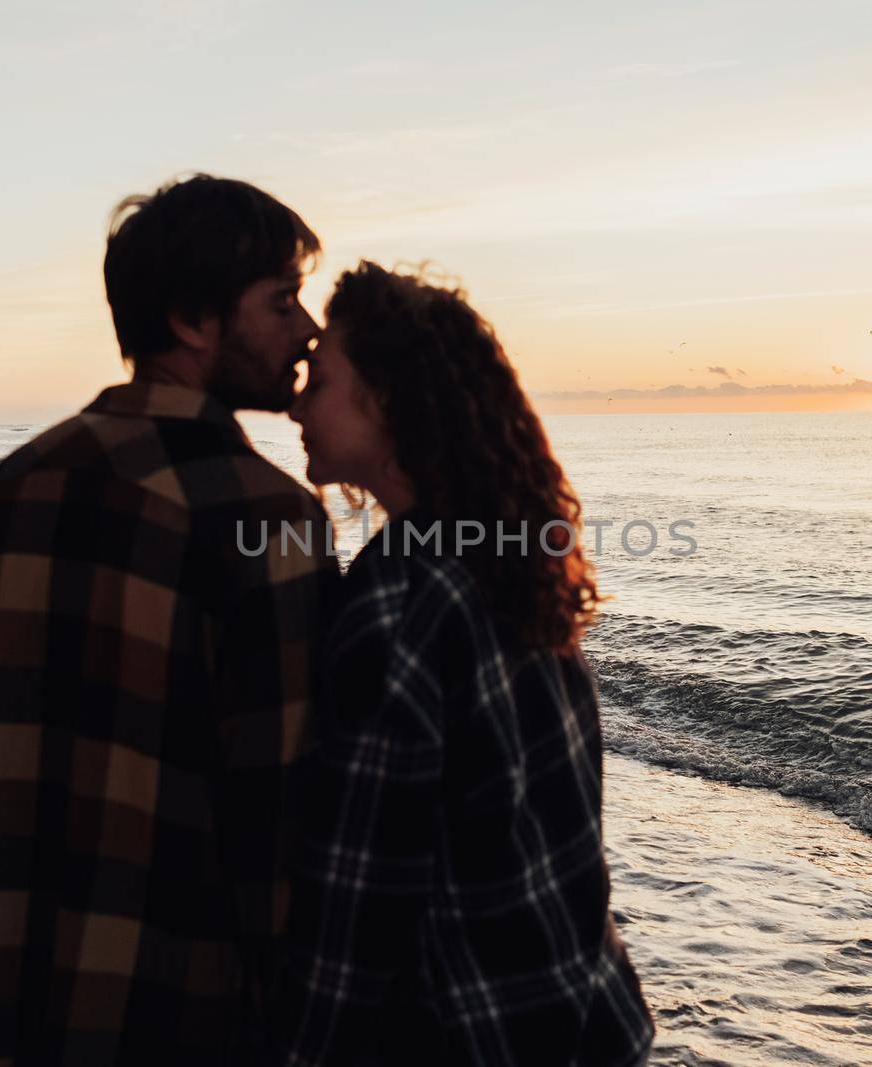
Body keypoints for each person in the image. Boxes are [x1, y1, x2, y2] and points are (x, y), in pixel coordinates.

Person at [0, 174, 341, 1063]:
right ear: (192, 320)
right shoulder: (266, 516)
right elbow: (278, 825)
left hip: (14, 996)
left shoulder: (9, 490)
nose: (307, 330)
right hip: (180, 1014)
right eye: (282, 302)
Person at [273, 262, 654, 1065]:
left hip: (480, 1037)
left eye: (321, 379)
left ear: (391, 400)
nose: (295, 402)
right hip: (591, 1017)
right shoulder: (508, 559)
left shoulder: (397, 603)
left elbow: (358, 905)